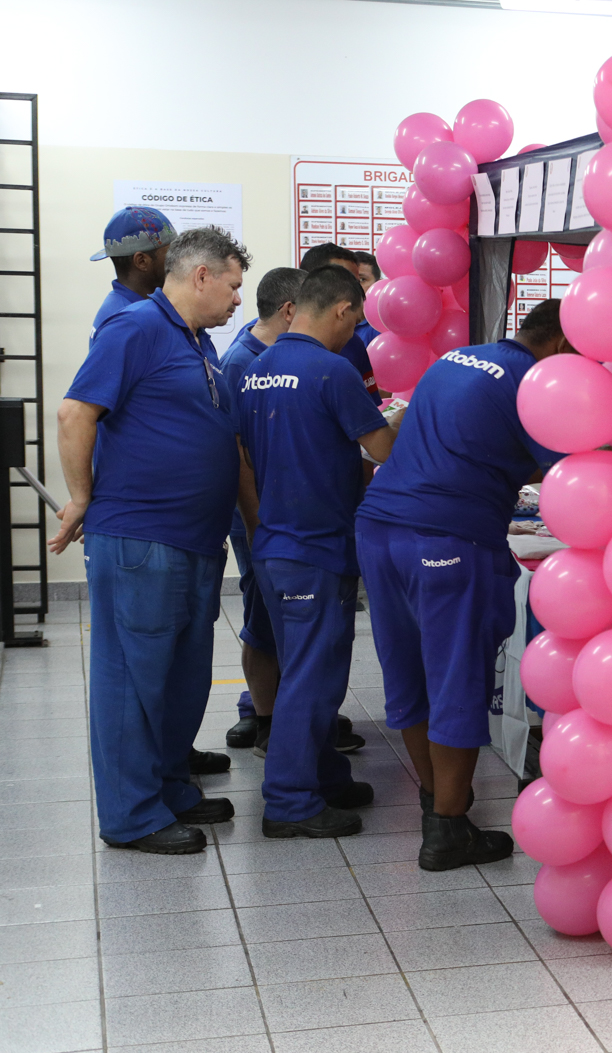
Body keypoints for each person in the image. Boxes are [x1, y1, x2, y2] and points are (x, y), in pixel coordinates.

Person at [55, 226, 251, 854]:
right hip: (142, 536)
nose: (237, 300)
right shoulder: (135, 328)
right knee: (132, 680)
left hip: (193, 539)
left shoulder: (195, 341)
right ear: (200, 276)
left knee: (182, 677)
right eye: (233, 285)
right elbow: (75, 412)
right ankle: (131, 815)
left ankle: (170, 786)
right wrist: (82, 498)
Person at [355, 298, 570, 870]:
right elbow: (570, 470)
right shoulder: (539, 382)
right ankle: (448, 828)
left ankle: (436, 803)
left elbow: (456, 442)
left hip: (379, 529)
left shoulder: (456, 358)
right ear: (562, 346)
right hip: (446, 539)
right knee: (456, 675)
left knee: (409, 671)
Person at [235, 266, 395, 839]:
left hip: (276, 543)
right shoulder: (333, 371)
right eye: (355, 319)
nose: (353, 331)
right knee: (313, 677)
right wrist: (404, 420)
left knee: (306, 667)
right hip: (315, 546)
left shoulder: (254, 370)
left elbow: (251, 458)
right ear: (343, 310)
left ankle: (324, 774)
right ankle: (291, 801)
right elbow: (382, 450)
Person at [217, 267, 301, 752]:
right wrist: (254, 524)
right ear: (290, 310)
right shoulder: (241, 363)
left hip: (279, 515)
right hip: (256, 516)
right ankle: (265, 716)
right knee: (263, 613)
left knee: (281, 614)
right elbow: (237, 452)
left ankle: (285, 712)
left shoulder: (280, 357)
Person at [89, 206, 176, 346]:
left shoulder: (133, 309)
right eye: (171, 253)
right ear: (141, 261)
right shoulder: (127, 323)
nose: (178, 260)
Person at [299, 243, 377, 397]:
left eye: (358, 282)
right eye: (345, 281)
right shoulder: (266, 339)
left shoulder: (353, 343)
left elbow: (366, 407)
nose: (356, 291)